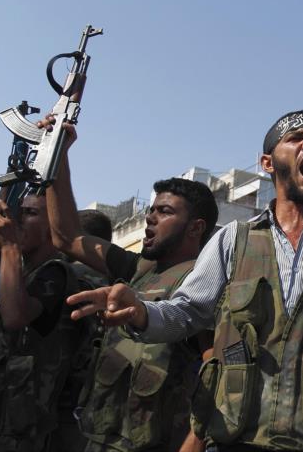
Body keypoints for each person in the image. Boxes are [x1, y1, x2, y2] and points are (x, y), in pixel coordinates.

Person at [65, 109, 303, 452]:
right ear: (268, 162)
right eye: (295, 138)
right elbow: (185, 313)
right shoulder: (234, 240)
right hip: (236, 440)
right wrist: (140, 313)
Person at [44, 122, 219, 452]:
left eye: (164, 211)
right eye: (151, 209)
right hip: (98, 439)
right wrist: (58, 152)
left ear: (196, 227)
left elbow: (218, 375)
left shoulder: (203, 285)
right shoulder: (137, 268)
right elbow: (65, 236)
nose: (150, 218)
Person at [0, 192, 106, 452]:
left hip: (18, 434)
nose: (19, 220)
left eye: (31, 213)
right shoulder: (25, 273)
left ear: (54, 230)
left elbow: (16, 316)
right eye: (19, 212)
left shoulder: (56, 274)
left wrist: (10, 247)